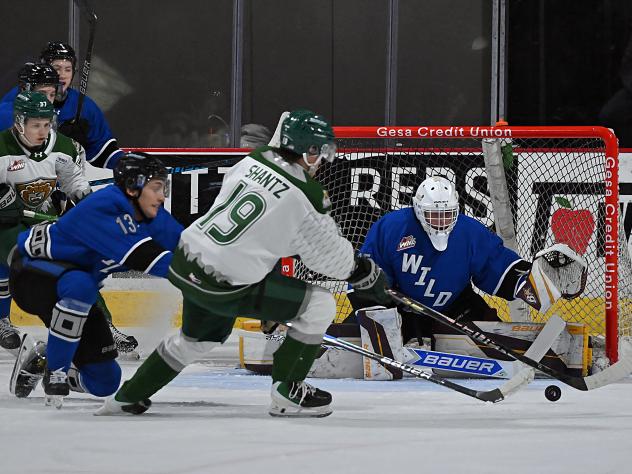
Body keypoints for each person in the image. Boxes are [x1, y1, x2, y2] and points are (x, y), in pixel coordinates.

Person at [97, 109, 389, 418]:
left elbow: (267, 227)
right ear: (308, 151)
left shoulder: (253, 159)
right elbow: (330, 258)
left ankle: (125, 398)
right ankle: (288, 392)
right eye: (319, 152)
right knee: (320, 306)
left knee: (195, 341)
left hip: (186, 260)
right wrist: (362, 272)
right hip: (226, 283)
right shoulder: (307, 193)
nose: (322, 161)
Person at [349, 175, 588, 375]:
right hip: (398, 305)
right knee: (353, 337)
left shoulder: (469, 232)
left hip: (455, 304)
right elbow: (368, 275)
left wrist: (531, 282)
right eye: (433, 214)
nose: (441, 222)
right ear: (418, 210)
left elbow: (497, 266)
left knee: (495, 334)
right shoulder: (392, 227)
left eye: (447, 214)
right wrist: (379, 309)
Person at [8, 153, 183, 407]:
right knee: (82, 287)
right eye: (156, 187)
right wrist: (207, 282)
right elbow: (148, 260)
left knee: (105, 381)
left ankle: (43, 358)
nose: (162, 196)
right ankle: (55, 371)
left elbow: (188, 246)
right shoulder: (105, 206)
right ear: (134, 186)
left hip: (74, 289)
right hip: (32, 275)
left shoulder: (151, 215)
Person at [0, 90, 91, 352]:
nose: (42, 131)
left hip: (44, 220)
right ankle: (4, 321)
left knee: (71, 268)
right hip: (7, 225)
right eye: (35, 125)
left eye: (46, 124)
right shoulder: (2, 148)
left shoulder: (61, 147)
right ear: (19, 122)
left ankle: (95, 325)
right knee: (21, 264)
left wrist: (84, 199)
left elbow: (74, 181)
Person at [1, 42, 125, 169]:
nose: (62, 75)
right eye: (57, 68)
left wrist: (124, 165)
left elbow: (104, 152)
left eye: (68, 69)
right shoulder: (10, 107)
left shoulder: (84, 107)